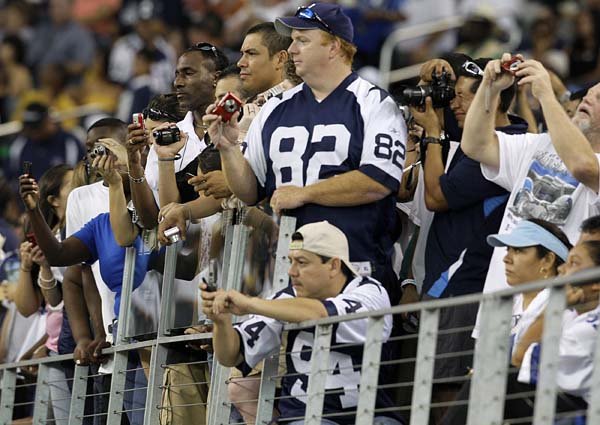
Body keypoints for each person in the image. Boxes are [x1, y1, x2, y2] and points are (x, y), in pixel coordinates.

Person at [196, 3, 407, 304]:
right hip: (288, 272)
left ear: (334, 47)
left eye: (302, 40)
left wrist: (305, 193)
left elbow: (379, 181)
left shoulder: (374, 103)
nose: (291, 49)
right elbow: (249, 191)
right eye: (292, 39)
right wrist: (228, 148)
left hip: (357, 269)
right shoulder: (273, 108)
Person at [404, 53, 527, 419]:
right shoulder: (505, 136)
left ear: (492, 99)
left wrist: (432, 134)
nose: (454, 105)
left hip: (459, 286)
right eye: (452, 95)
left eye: (463, 97)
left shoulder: (500, 148)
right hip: (457, 286)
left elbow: (436, 197)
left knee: (447, 392)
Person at [202, 221, 404, 425]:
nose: (291, 271)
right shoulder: (286, 299)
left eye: (302, 262)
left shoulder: (370, 292)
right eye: (290, 261)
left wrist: (251, 304)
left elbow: (320, 314)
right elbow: (231, 355)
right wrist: (222, 322)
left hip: (369, 417)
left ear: (333, 266)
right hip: (304, 418)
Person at [460, 54, 600, 333]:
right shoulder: (539, 144)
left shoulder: (593, 164)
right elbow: (475, 145)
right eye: (590, 93)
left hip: (554, 326)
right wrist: (490, 89)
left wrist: (546, 95)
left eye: (599, 98)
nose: (588, 98)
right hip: (497, 312)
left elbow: (583, 166)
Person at [441, 218, 571, 425]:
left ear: (547, 260)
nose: (506, 258)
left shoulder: (564, 305)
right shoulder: (509, 304)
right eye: (508, 249)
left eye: (518, 251)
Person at [14, 164, 74, 425]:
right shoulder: (51, 237)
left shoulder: (81, 229)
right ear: (53, 200)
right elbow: (42, 306)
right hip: (57, 347)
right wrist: (31, 267)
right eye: (74, 185)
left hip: (73, 344)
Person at [4, 102, 84, 184]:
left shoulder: (68, 143)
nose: (33, 132)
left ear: (48, 121)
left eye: (36, 127)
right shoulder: (19, 145)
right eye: (29, 127)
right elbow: (12, 177)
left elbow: (75, 177)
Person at [237, 22, 291, 100]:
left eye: (251, 53)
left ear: (280, 59)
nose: (240, 63)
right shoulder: (244, 104)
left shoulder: (297, 105)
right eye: (242, 54)